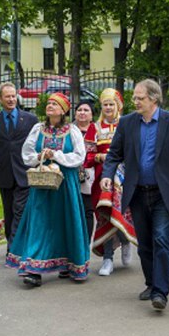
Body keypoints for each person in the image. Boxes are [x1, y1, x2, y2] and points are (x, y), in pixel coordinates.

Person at [100, 79, 169, 311]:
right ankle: (152, 283)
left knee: (162, 239)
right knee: (144, 244)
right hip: (137, 192)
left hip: (165, 193)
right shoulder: (127, 123)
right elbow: (114, 153)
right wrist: (107, 174)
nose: (135, 102)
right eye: (135, 98)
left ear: (154, 98)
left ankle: (161, 292)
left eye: (140, 98)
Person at [6, 93, 90, 287]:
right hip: (42, 184)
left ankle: (68, 263)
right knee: (39, 222)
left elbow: (79, 156)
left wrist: (57, 155)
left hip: (65, 184)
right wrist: (40, 156)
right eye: (49, 103)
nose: (50, 106)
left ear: (63, 110)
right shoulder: (38, 129)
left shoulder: (73, 131)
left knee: (65, 221)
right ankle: (33, 269)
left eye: (55, 104)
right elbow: (26, 154)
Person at [0, 82, 39, 251]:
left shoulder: (31, 119)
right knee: (9, 213)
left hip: (25, 172)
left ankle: (14, 248)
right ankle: (12, 240)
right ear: (0, 99)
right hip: (5, 174)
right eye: (7, 97)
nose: (11, 99)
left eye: (13, 96)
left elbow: (39, 144)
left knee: (20, 209)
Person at [85, 88, 135, 276]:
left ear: (118, 106)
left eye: (111, 104)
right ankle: (107, 259)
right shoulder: (94, 127)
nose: (107, 107)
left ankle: (124, 240)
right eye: (105, 104)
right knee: (105, 215)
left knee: (121, 212)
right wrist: (100, 156)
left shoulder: (127, 124)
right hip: (102, 179)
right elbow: (87, 156)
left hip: (124, 178)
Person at [73, 100, 97, 240]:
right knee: (72, 210)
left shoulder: (96, 131)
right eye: (79, 110)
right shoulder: (69, 130)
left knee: (88, 210)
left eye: (86, 110)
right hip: (70, 174)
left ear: (92, 115)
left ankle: (85, 244)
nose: (82, 113)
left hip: (89, 175)